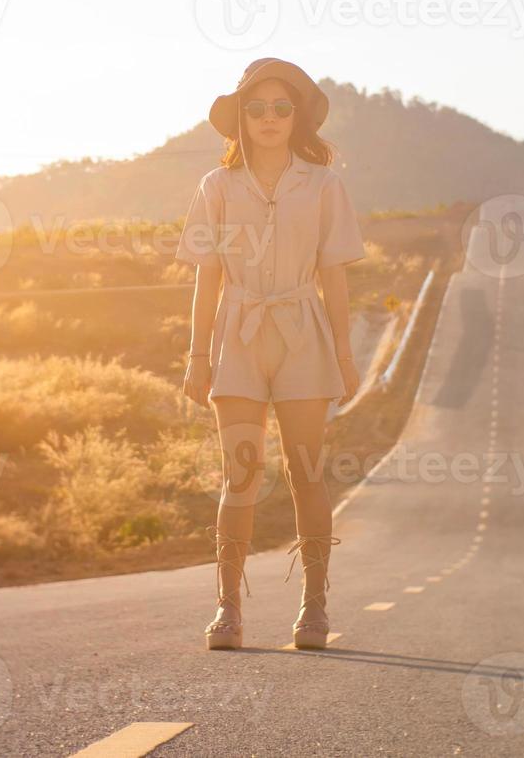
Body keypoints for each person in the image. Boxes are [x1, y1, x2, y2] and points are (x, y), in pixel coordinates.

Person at [174, 58, 367, 651]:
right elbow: (206, 277)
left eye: (282, 108)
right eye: (256, 108)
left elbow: (334, 275)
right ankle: (227, 610)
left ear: (298, 117)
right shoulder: (217, 185)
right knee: (241, 472)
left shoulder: (324, 182)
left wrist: (343, 352)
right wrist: (197, 356)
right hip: (238, 332)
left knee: (306, 471)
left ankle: (314, 607)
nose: (268, 118)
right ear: (239, 118)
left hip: (303, 331)